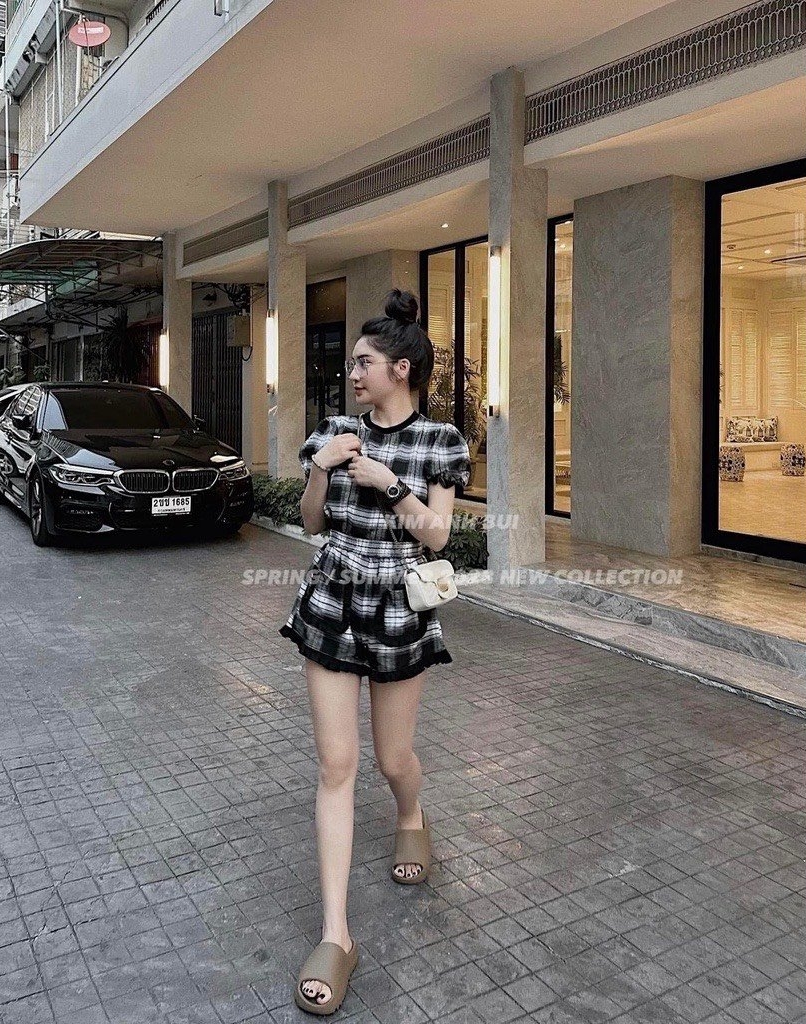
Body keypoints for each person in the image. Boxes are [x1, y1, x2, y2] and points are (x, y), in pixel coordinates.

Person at [278, 288, 472, 1014]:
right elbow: (310, 521)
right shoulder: (335, 431)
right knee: (337, 765)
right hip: (332, 602)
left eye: (364, 362)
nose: (352, 372)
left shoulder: (440, 441)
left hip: (399, 609)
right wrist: (322, 468)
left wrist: (389, 485)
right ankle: (337, 935)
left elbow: (438, 536)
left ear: (401, 369)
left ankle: (411, 817)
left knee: (393, 759)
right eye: (353, 363)